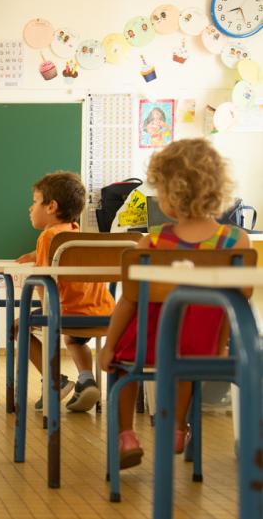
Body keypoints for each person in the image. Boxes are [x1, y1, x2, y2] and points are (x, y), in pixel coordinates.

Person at [99, 138, 249, 469]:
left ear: (168, 196)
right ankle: (178, 427)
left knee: (122, 366)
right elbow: (239, 298)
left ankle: (126, 435)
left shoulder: (152, 242)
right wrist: (221, 346)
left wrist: (109, 345)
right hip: (203, 347)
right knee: (185, 362)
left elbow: (128, 300)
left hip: (146, 346)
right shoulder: (235, 241)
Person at [15, 171, 115, 412]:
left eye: (35, 201)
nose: (31, 208)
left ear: (51, 206)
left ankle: (54, 381)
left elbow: (42, 281)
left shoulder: (47, 236)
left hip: (68, 310)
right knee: (74, 337)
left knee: (18, 326)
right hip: (103, 310)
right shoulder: (74, 232)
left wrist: (45, 313)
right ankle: (85, 379)